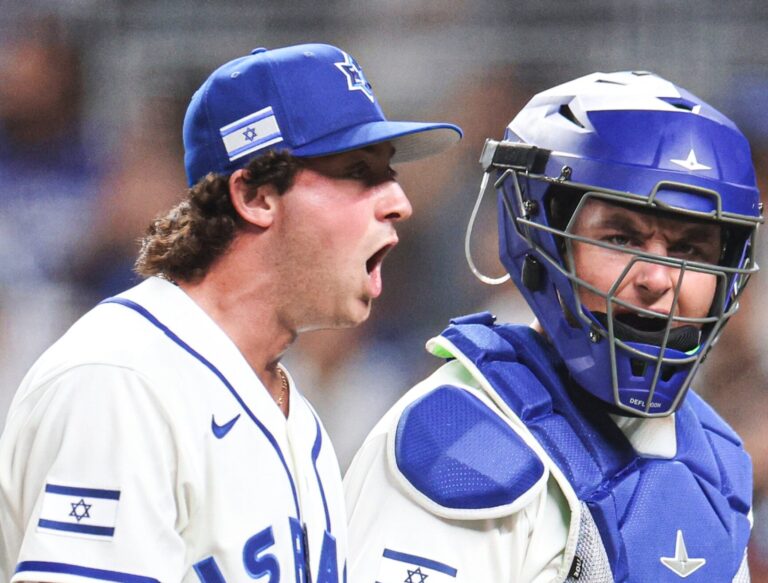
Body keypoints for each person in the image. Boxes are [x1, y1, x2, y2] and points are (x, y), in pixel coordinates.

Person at [0, 43, 461, 583]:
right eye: (358, 172)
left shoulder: (294, 413)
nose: (399, 202)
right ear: (257, 196)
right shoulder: (124, 379)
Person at [344, 71, 761, 582]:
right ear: (541, 237)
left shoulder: (715, 460)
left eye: (690, 250)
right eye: (622, 239)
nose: (658, 279)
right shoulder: (459, 442)